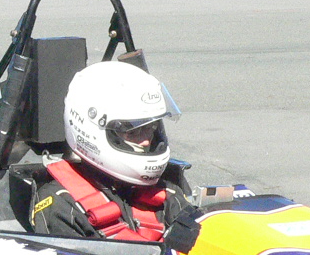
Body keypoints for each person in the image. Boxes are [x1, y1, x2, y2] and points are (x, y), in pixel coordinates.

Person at [30, 61, 191, 240]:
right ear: (92, 131)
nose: (146, 141)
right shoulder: (61, 204)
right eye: (133, 131)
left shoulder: (165, 192)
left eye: (151, 127)